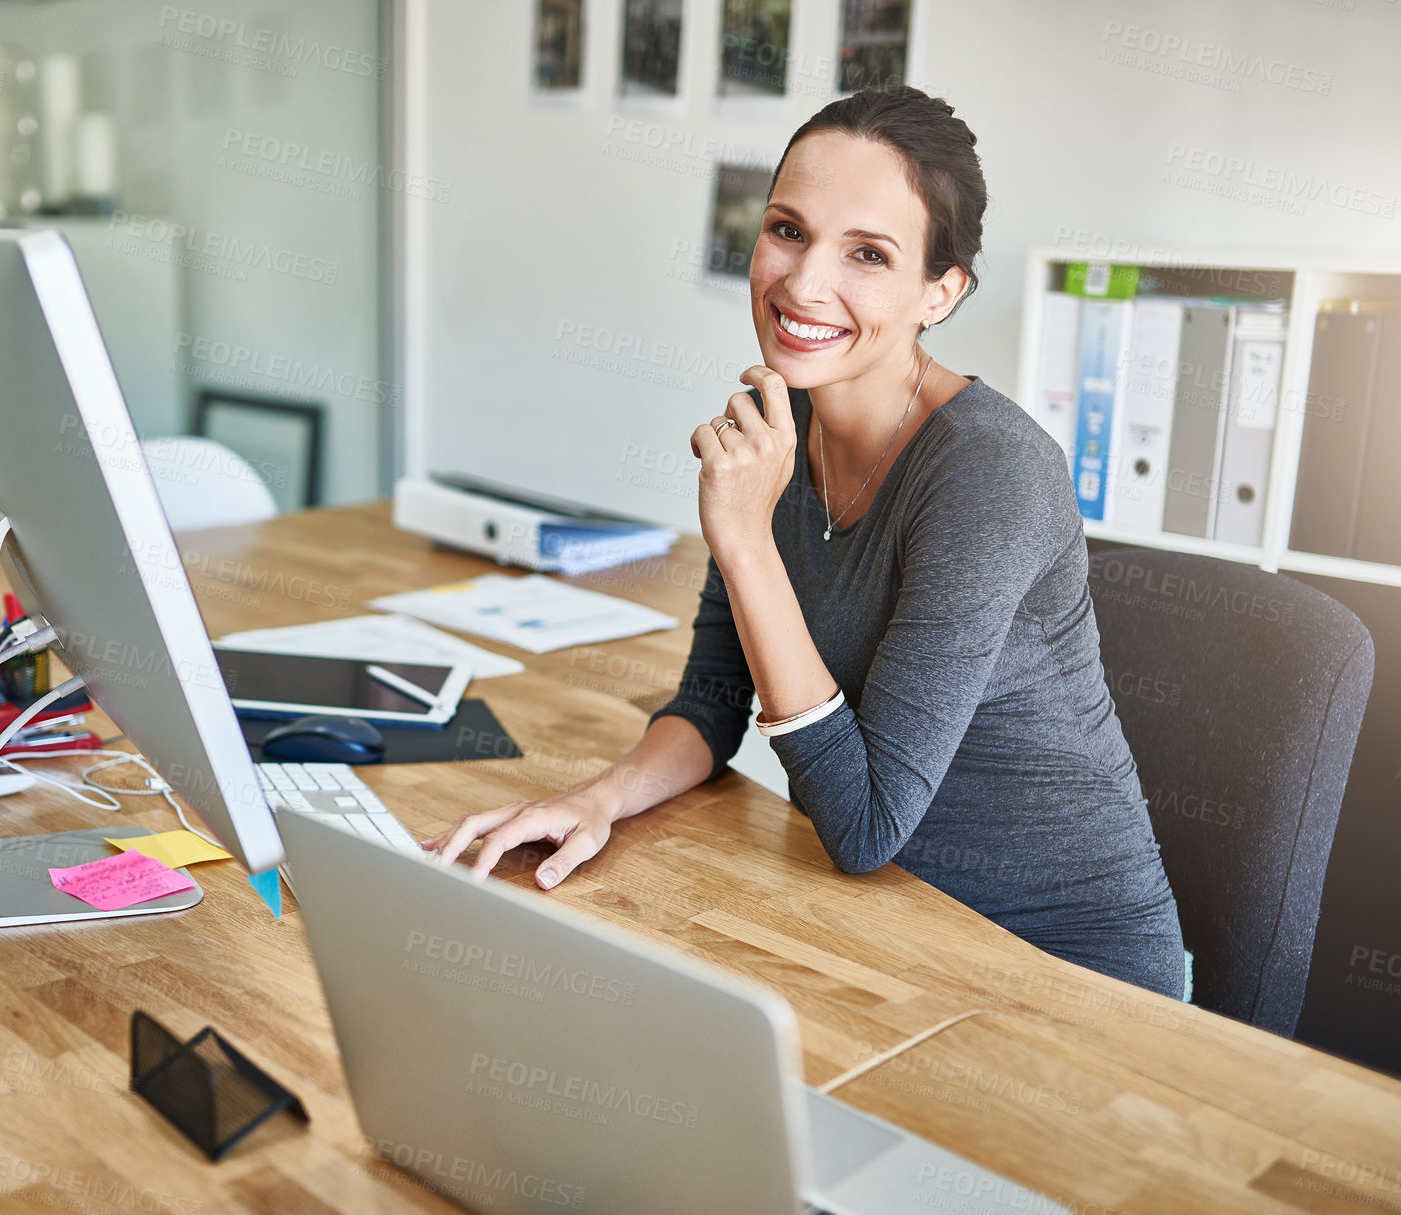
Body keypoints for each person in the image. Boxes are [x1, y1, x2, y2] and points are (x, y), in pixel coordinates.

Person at [424, 85, 1185, 998]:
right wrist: (595, 799)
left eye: (867, 252)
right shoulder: (775, 429)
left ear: (940, 293)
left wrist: (744, 541)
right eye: (788, 229)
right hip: (883, 926)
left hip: (1062, 974)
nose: (802, 282)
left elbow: (865, 823)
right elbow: (711, 700)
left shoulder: (992, 472)